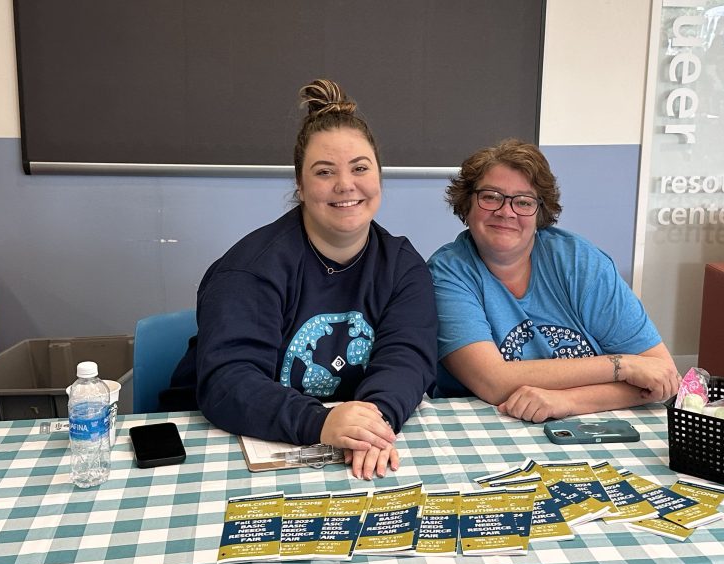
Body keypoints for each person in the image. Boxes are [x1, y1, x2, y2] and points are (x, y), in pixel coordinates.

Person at [165, 79, 437, 479]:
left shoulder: (403, 267)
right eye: (325, 172)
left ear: (379, 176)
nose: (346, 185)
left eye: (360, 168)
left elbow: (408, 359)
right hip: (228, 442)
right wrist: (321, 423)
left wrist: (373, 423)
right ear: (301, 185)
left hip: (351, 446)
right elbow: (229, 380)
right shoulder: (252, 269)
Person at [427, 139, 678, 422]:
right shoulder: (448, 273)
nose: (506, 211)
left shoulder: (579, 261)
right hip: (488, 427)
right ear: (467, 204)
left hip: (590, 423)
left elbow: (662, 375)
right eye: (491, 197)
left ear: (540, 212)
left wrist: (567, 401)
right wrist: (623, 367)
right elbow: (492, 381)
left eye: (524, 202)